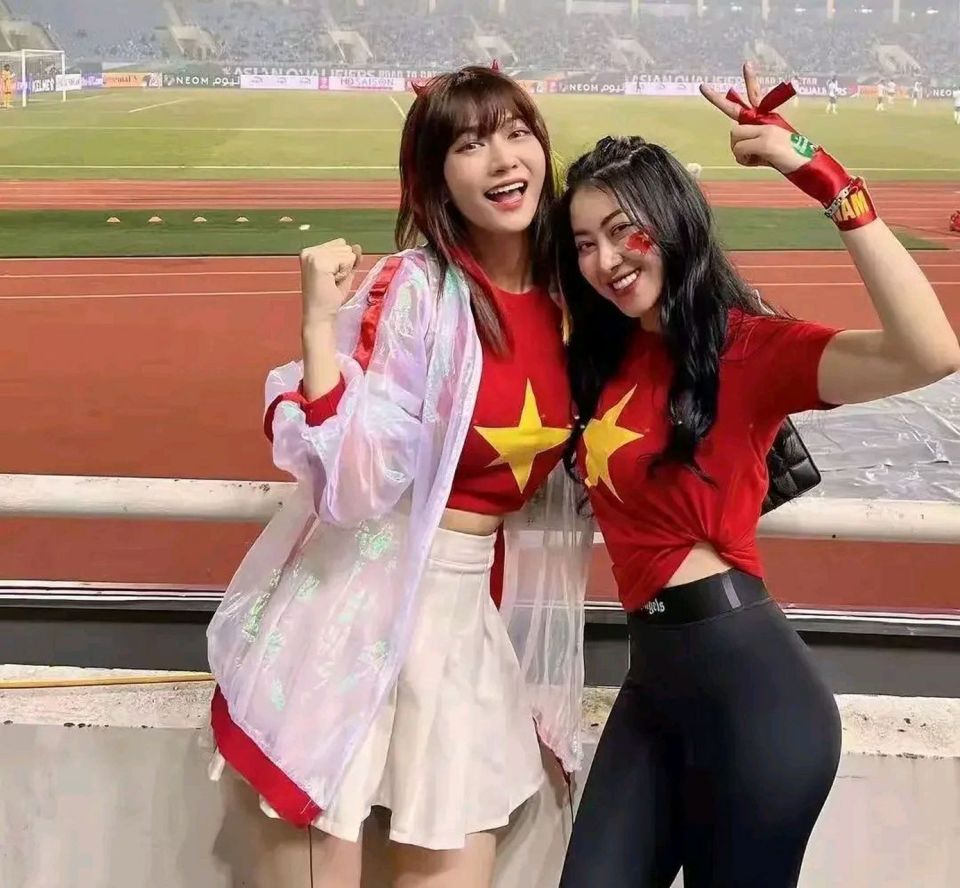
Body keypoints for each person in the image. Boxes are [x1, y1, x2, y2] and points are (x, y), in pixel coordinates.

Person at [554, 65, 960, 888]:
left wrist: (820, 172)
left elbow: (929, 352)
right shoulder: (599, 357)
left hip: (753, 695)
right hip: (651, 687)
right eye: (585, 243)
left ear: (671, 222)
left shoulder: (745, 349)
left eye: (624, 231)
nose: (605, 259)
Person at [206, 65, 593, 888]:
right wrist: (317, 326)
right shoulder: (419, 290)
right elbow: (352, 488)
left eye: (516, 133)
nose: (503, 159)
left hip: (461, 628)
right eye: (470, 144)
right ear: (436, 179)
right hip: (353, 617)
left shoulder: (573, 299)